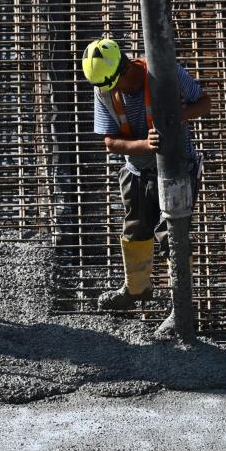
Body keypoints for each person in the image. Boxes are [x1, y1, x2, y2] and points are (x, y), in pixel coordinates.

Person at [81, 38, 211, 311]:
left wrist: (173, 118)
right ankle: (137, 289)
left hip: (177, 168)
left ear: (126, 68)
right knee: (135, 229)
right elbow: (110, 142)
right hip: (137, 170)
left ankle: (182, 308)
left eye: (114, 84)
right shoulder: (104, 88)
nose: (111, 90)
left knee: (173, 235)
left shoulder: (165, 72)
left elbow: (204, 103)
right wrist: (144, 145)